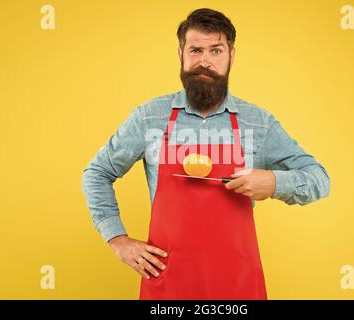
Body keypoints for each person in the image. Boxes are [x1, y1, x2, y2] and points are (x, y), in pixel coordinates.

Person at [82, 8, 330, 300]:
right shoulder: (150, 117)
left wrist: (276, 183)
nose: (204, 61)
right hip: (169, 283)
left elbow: (319, 180)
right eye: (196, 50)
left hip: (237, 285)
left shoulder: (258, 122)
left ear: (231, 56)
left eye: (215, 50)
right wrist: (117, 239)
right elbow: (97, 173)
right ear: (181, 54)